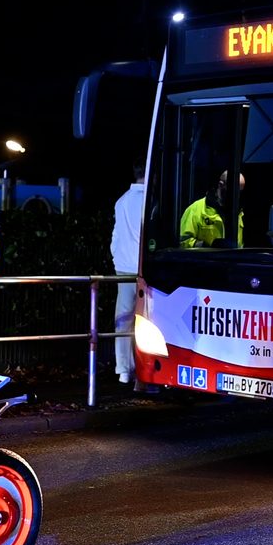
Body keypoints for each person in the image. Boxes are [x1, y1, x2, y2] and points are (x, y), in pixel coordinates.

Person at [110, 158, 145, 387]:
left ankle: (123, 370)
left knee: (123, 321)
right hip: (145, 271)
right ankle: (144, 371)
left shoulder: (121, 201)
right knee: (147, 323)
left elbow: (116, 236)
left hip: (123, 269)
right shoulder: (152, 200)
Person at [180, 170, 245, 248]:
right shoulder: (195, 209)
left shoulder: (238, 212)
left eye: (240, 192)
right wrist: (206, 247)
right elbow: (183, 241)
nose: (237, 195)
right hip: (205, 259)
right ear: (221, 185)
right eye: (234, 191)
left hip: (230, 259)